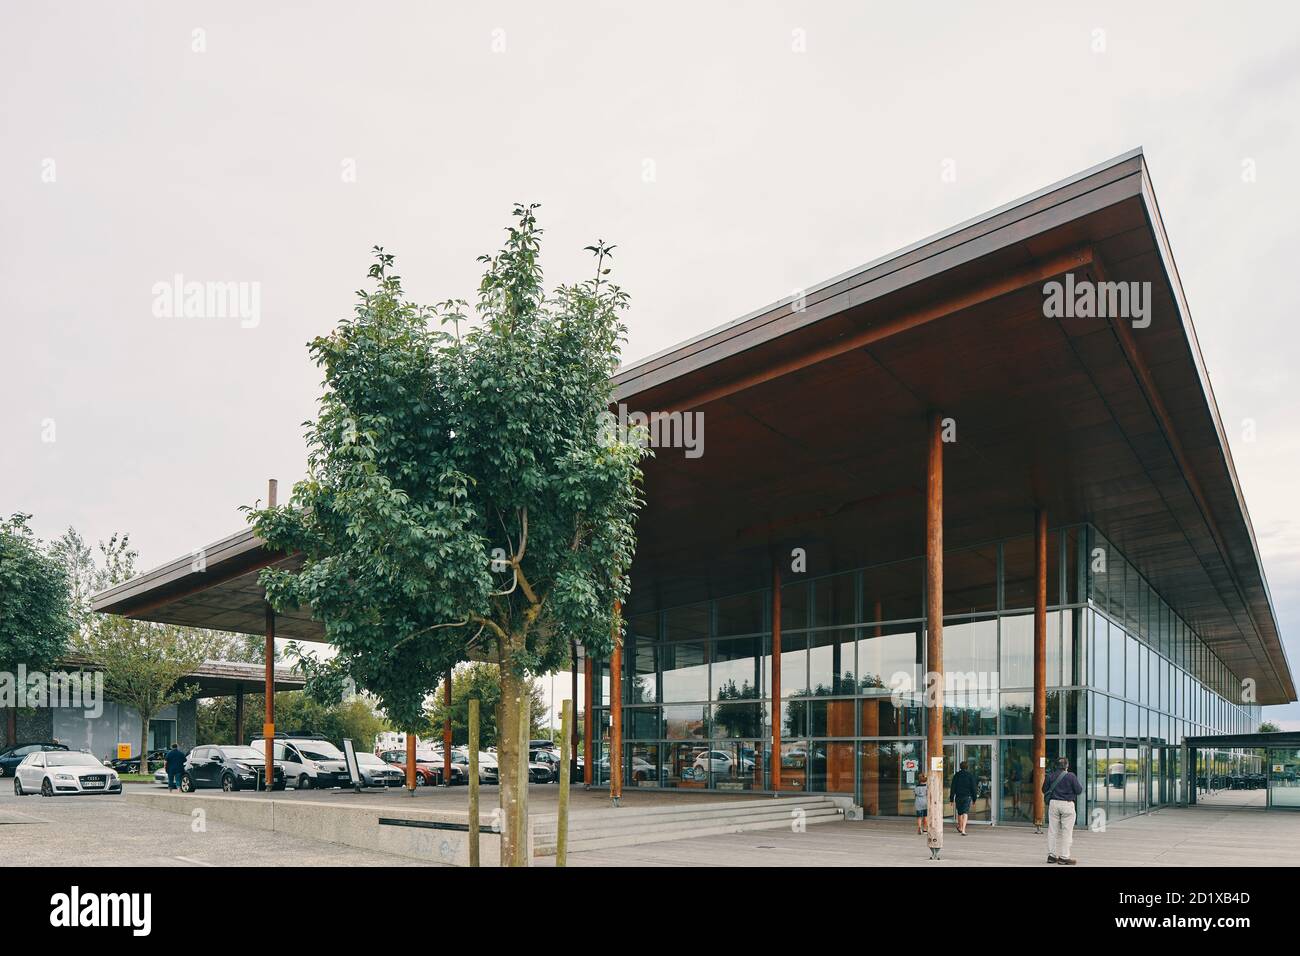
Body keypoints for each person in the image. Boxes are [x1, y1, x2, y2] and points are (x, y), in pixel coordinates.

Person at [1043, 756, 1084, 864]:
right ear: (1067, 766)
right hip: (1067, 804)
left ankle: (1051, 856)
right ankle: (1064, 857)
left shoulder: (1050, 776)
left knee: (1052, 831)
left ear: (1055, 766)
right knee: (1066, 832)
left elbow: (1044, 790)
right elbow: (1079, 790)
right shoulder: (1071, 776)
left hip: (1053, 804)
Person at [949, 760, 977, 835]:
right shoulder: (970, 775)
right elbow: (973, 788)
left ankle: (960, 827)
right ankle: (963, 830)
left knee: (960, 813)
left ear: (960, 767)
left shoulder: (956, 775)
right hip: (967, 797)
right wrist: (974, 799)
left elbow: (953, 787)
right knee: (965, 813)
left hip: (958, 797)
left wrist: (951, 799)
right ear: (967, 767)